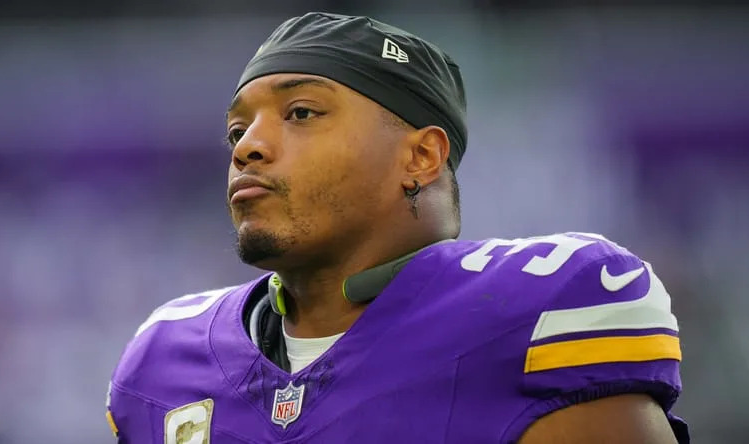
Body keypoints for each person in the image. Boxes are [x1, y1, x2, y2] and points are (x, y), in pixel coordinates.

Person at [106, 12, 689, 443]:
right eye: (237, 131)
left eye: (301, 113)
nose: (249, 147)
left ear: (420, 158)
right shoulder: (164, 362)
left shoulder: (538, 310)